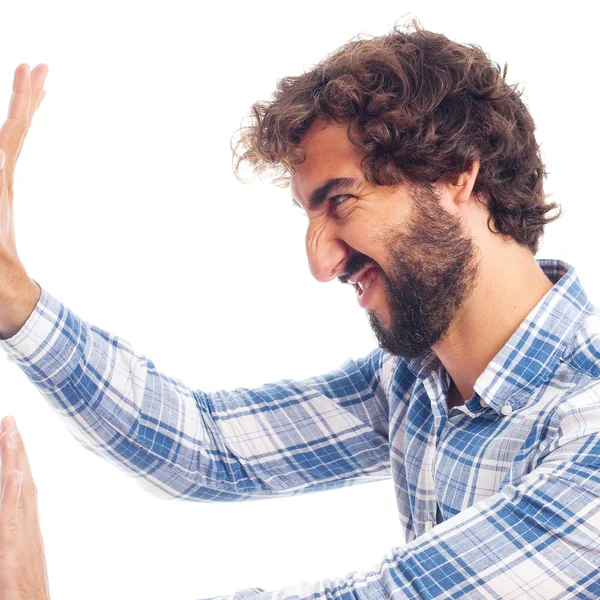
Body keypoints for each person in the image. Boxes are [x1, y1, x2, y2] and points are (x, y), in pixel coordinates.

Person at [1, 18, 599, 599]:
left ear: (455, 176)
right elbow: (207, 448)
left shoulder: (589, 423)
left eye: (340, 200)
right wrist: (15, 301)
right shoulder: (417, 379)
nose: (322, 264)